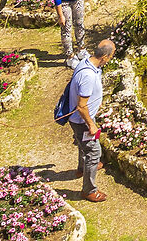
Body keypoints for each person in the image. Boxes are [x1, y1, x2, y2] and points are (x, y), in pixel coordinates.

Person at [54, 38, 114, 203]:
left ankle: (82, 169)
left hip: (79, 119)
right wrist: (91, 125)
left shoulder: (87, 63)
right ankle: (89, 190)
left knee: (83, 145)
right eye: (111, 56)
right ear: (105, 57)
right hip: (81, 120)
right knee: (94, 153)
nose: (111, 59)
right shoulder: (88, 75)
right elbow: (81, 106)